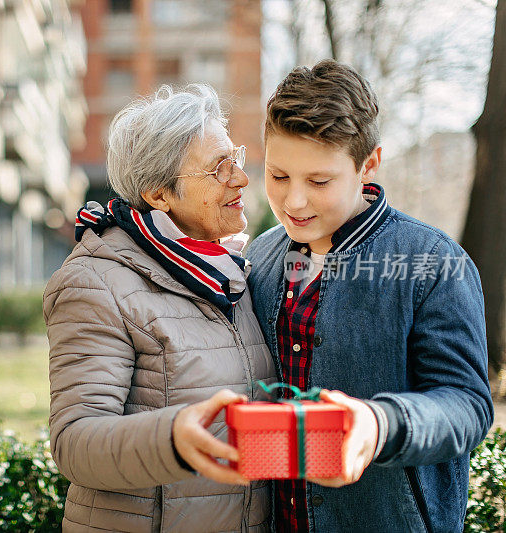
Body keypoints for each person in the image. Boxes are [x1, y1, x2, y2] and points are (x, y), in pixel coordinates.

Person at [245, 59, 494, 533]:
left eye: (319, 181)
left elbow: (467, 405)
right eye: (279, 177)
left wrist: (381, 424)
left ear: (368, 165)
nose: (294, 202)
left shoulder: (435, 262)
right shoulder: (262, 256)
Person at [44, 84, 277, 532]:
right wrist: (172, 439)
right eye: (217, 168)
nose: (242, 178)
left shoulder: (232, 272)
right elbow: (74, 443)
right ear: (158, 194)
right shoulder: (95, 282)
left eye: (237, 158)